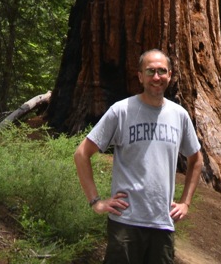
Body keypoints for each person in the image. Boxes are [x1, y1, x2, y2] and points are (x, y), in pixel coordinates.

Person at [74, 49, 203, 264]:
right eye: (150, 71)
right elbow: (81, 154)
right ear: (140, 76)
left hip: (162, 224)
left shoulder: (179, 116)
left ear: (169, 75)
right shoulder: (122, 111)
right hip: (126, 223)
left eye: (162, 71)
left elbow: (196, 160)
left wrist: (185, 203)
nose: (156, 77)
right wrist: (96, 201)